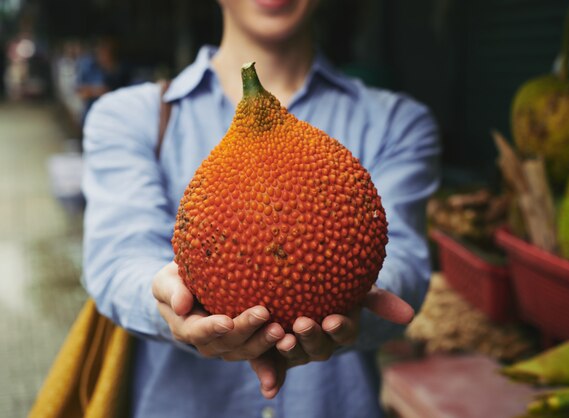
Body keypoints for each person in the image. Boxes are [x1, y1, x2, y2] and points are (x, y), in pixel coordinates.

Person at [81, 0, 440, 417]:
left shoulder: (398, 121)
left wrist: (358, 299)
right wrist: (171, 306)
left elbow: (405, 261)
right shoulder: (128, 115)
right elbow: (118, 259)